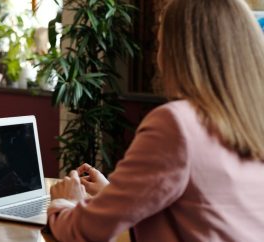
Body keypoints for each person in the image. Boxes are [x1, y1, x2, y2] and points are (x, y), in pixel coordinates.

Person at [47, 0, 264, 241]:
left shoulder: (177, 123)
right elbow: (208, 208)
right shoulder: (252, 121)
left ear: (177, 53)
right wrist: (114, 195)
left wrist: (66, 202)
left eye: (160, 43)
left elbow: (85, 231)